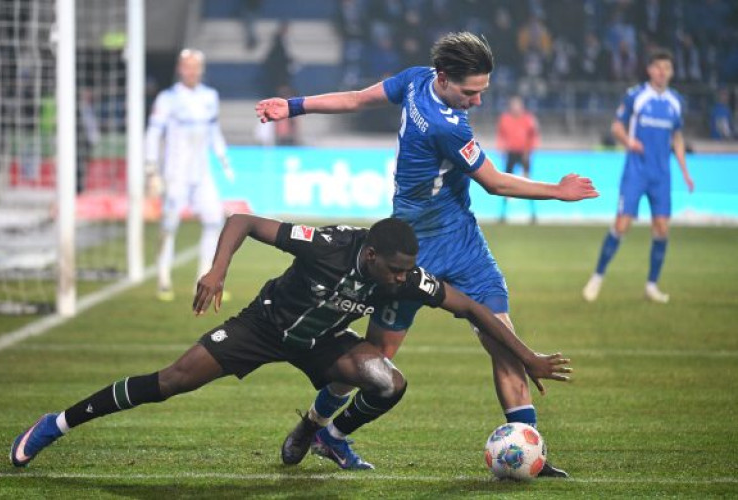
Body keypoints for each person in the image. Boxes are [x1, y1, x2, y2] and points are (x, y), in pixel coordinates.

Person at [256, 31, 597, 477]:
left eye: (482, 91)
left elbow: (357, 98)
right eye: (470, 92)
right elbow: (495, 182)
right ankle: (315, 425)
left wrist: (295, 105)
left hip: (465, 245)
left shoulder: (416, 80)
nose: (477, 101)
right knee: (376, 359)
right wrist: (557, 190)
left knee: (502, 341)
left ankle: (529, 451)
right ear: (444, 77)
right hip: (409, 254)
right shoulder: (447, 126)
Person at [9, 215, 572, 470]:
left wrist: (527, 357)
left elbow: (470, 307)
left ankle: (320, 431)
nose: (404, 280)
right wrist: (217, 271)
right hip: (261, 328)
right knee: (171, 382)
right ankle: (56, 423)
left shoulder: (405, 276)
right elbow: (242, 221)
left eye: (408, 271)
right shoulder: (326, 245)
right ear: (371, 256)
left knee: (388, 382)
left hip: (321, 343)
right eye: (396, 271)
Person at [582, 50, 694, 304]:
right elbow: (616, 127)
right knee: (622, 225)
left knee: (662, 229)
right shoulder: (636, 96)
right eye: (658, 67)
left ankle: (651, 286)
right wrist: (629, 142)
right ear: (650, 70)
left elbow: (677, 138)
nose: (662, 72)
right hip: (636, 172)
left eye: (667, 67)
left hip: (661, 175)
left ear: (671, 72)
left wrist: (685, 172)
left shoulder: (676, 102)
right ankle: (597, 277)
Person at [145, 49, 235, 302]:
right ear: (180, 69)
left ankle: (206, 280)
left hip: (202, 172)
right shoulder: (168, 99)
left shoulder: (210, 96)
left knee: (214, 221)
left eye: (195, 67)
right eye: (187, 66)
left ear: (201, 70)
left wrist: (224, 159)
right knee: (169, 225)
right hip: (176, 173)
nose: (192, 71)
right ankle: (163, 279)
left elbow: (214, 131)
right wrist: (151, 168)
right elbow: (153, 133)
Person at [496, 95, 540, 223]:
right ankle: (503, 214)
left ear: (522, 106)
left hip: (524, 154)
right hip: (511, 153)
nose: (515, 107)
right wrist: (501, 149)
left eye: (517, 105)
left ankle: (533, 214)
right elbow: (501, 135)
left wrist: (529, 151)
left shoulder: (528, 119)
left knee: (529, 182)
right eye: (513, 105)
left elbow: (533, 136)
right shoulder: (505, 119)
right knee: (505, 183)